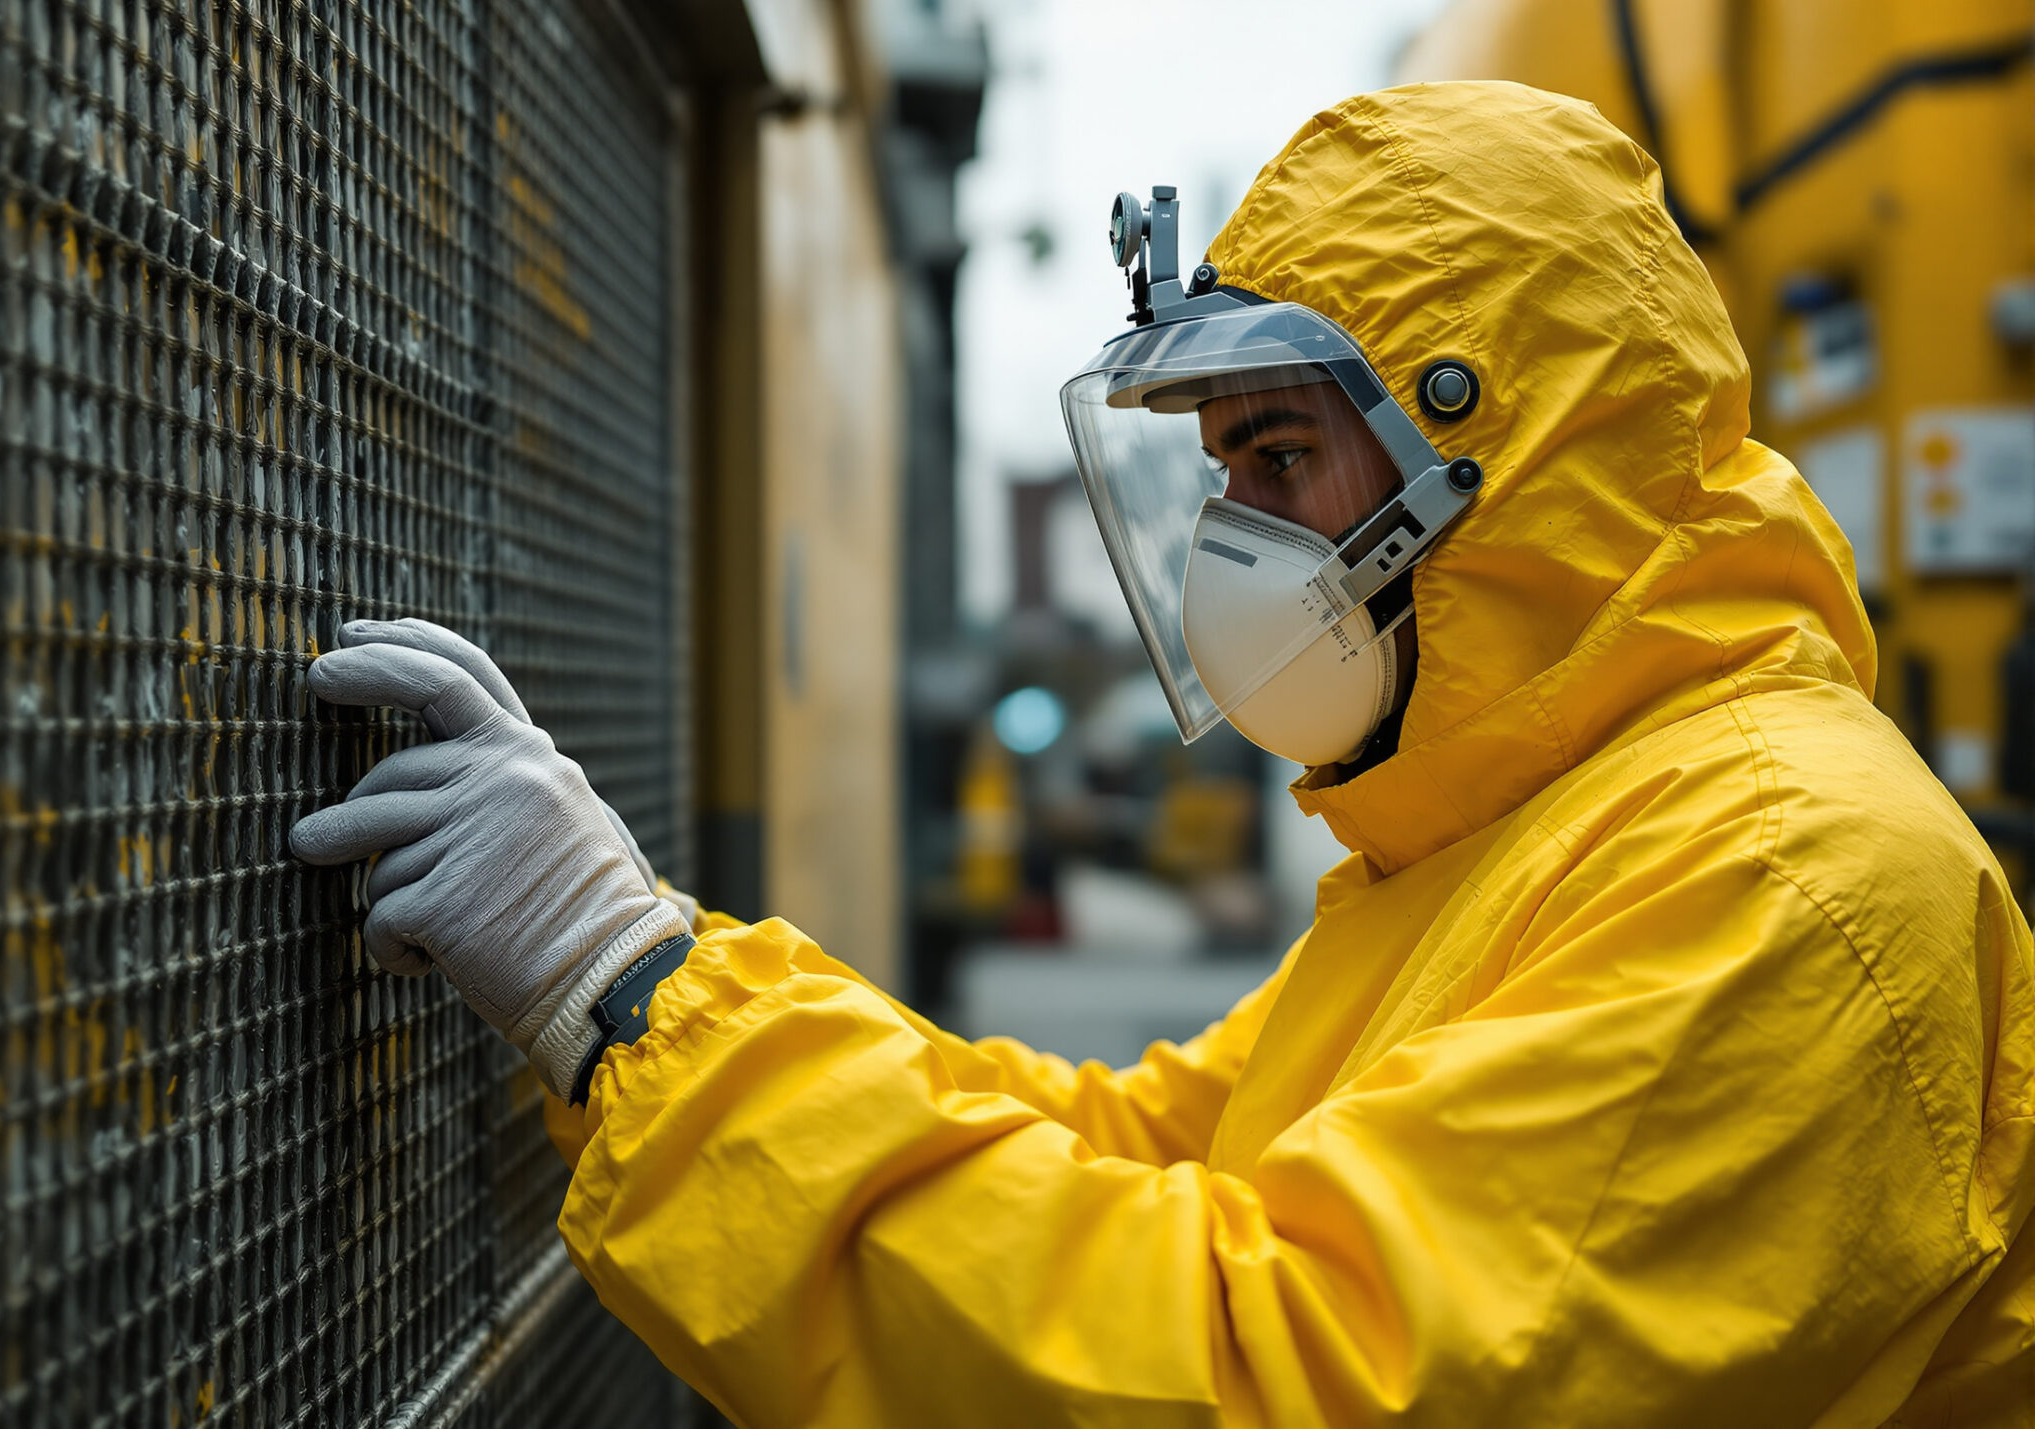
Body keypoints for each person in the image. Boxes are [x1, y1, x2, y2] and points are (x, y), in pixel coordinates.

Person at [291, 82, 2035, 1426]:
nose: (1230, 532)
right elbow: (1134, 1150)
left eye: (1278, 455)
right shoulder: (1508, 843)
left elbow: (1268, 1373)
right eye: (1220, 469)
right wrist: (653, 978)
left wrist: (626, 994)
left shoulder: (1791, 884)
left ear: (1500, 452)